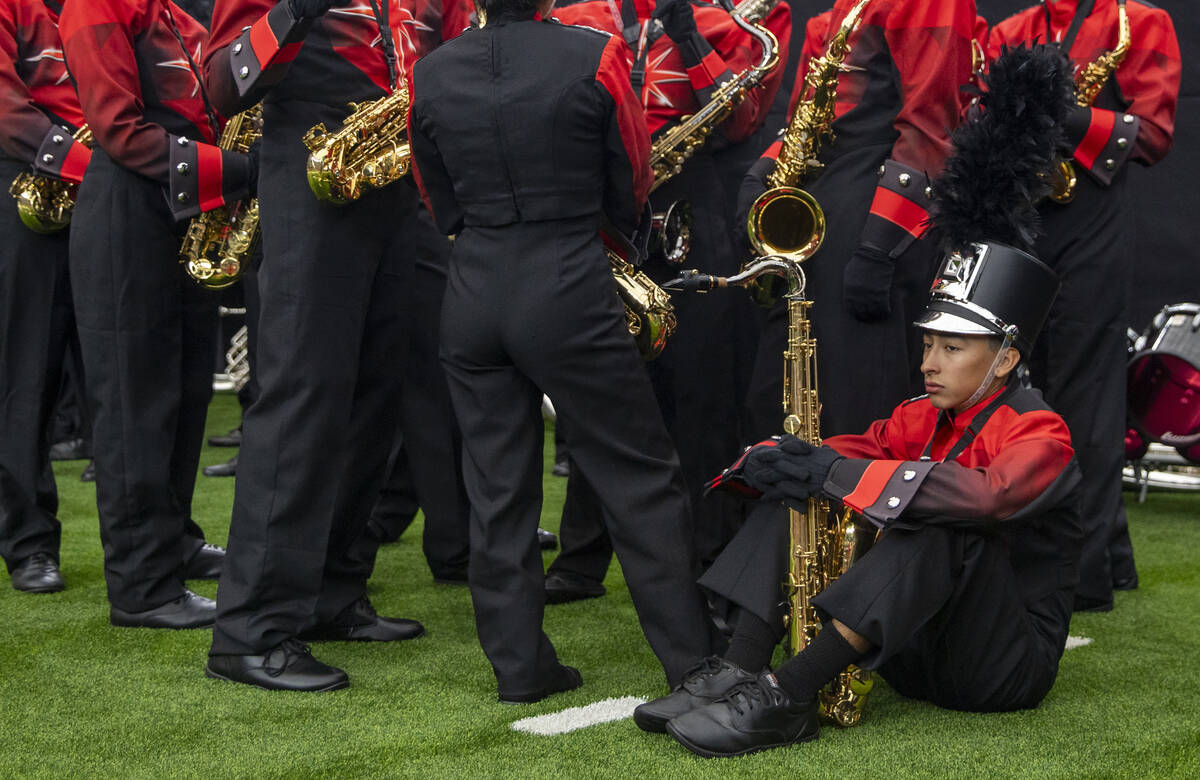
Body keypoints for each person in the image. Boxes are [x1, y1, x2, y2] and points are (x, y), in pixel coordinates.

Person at [409, 0, 715, 702]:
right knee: (637, 473)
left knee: (496, 489)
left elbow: (439, 197)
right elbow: (631, 178)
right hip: (568, 273)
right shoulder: (594, 54)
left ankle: (520, 667)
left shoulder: (431, 72)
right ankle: (691, 664)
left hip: (474, 281)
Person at [199, 0, 472, 692]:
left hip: (397, 187)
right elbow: (223, 85)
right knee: (303, 397)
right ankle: (251, 629)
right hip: (311, 175)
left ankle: (331, 591)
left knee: (377, 397)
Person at [543, 0, 791, 605]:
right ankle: (581, 559)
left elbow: (742, 120)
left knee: (703, 397)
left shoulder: (740, 19)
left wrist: (686, 31)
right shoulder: (580, 14)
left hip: (694, 208)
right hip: (606, 209)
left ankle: (707, 555)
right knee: (599, 391)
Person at [988, 0, 1180, 613]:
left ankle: (1081, 578)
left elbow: (1152, 134)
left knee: (1087, 397)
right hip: (1024, 210)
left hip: (1093, 212)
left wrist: (1061, 117)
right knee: (1024, 383)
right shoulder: (1011, 30)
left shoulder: (1139, 23)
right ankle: (1109, 558)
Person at [59, 0, 245, 627]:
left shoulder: (177, 11)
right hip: (127, 214)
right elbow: (119, 129)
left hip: (183, 212)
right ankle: (142, 586)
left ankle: (174, 543)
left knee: (187, 395)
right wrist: (241, 169)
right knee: (136, 401)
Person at [0, 0, 90, 593]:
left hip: (115, 179)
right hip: (27, 184)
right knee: (25, 376)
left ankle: (167, 539)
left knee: (141, 375)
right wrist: (103, 163)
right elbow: (6, 112)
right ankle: (28, 542)